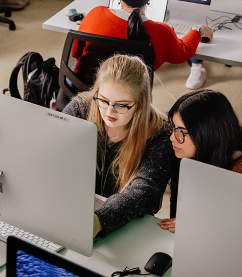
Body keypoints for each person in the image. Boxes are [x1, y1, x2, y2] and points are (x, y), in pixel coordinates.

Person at [62, 54, 174, 238]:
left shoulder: (159, 135)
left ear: (140, 103)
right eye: (103, 100)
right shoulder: (80, 108)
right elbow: (54, 153)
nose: (109, 111)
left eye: (122, 105)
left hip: (126, 226)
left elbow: (143, 193)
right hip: (74, 208)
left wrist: (99, 221)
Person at [158, 89, 242, 233]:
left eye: (180, 131)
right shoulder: (191, 157)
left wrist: (196, 225)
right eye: (172, 128)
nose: (172, 137)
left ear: (207, 133)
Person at [73, 0, 212, 87]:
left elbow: (76, 53)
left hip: (79, 89)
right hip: (125, 102)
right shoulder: (160, 32)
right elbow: (183, 53)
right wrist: (198, 31)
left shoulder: (95, 14)